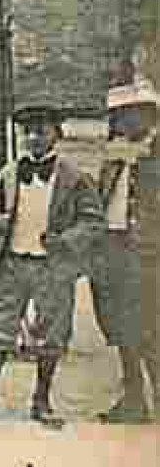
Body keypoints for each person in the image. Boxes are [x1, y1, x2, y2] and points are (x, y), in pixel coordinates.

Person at [0, 103, 104, 426]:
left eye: (41, 131)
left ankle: (41, 401)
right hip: (13, 262)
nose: (33, 138)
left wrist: (65, 240)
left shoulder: (75, 178)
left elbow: (93, 222)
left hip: (52, 266)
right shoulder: (9, 172)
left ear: (56, 135)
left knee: (51, 332)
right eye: (28, 132)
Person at [89, 80, 160, 424]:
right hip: (111, 249)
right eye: (118, 116)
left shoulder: (156, 155)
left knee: (151, 326)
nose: (124, 122)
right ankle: (133, 399)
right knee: (119, 326)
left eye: (132, 114)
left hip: (148, 253)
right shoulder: (113, 155)